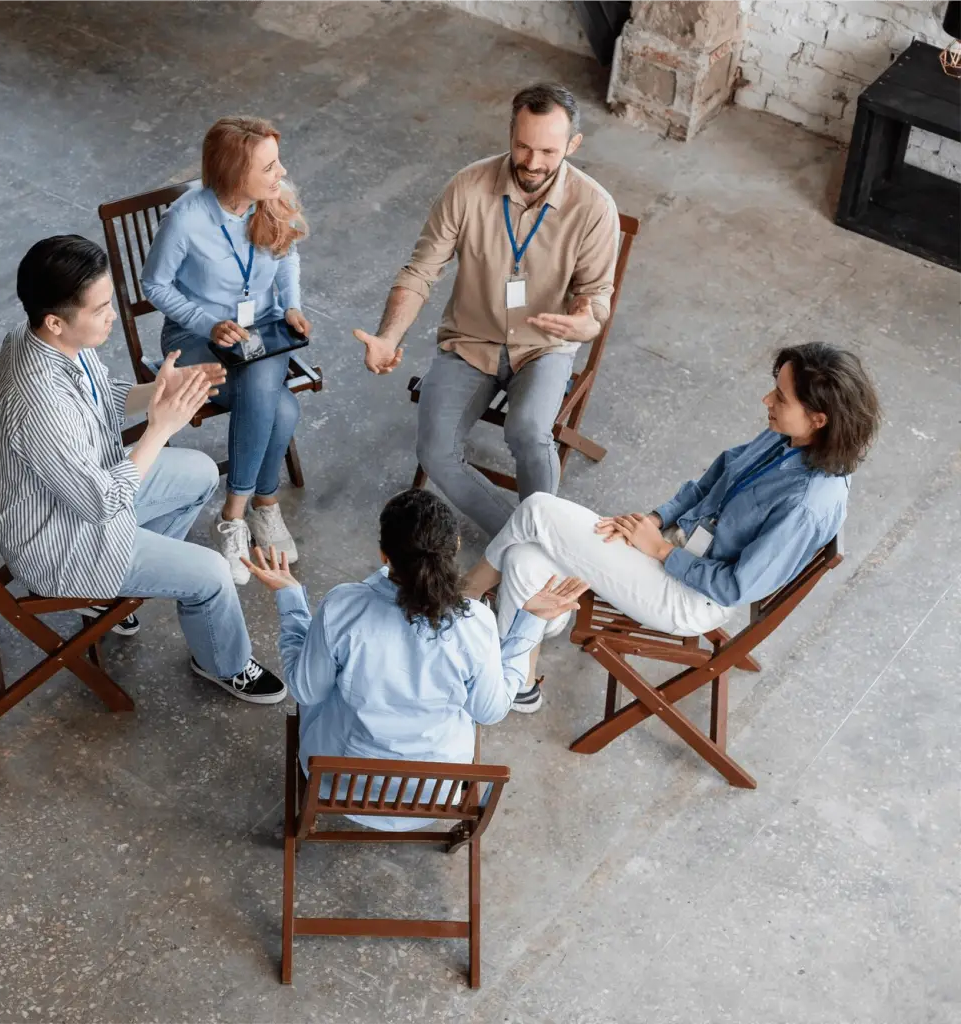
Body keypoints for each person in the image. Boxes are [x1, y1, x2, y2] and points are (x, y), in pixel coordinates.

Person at [463, 343, 882, 711]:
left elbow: (737, 587)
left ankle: (457, 602)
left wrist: (659, 550)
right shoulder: (786, 437)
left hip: (688, 594)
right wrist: (656, 520)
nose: (766, 399)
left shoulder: (807, 504)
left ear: (819, 419)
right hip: (671, 545)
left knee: (537, 509)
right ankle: (520, 686)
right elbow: (710, 482)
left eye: (781, 397)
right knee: (522, 558)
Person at [0, 235, 287, 704]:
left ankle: (117, 592)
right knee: (209, 574)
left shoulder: (38, 338)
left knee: (201, 472)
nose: (110, 317)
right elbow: (102, 503)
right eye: (100, 309)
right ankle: (222, 662)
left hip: (73, 499)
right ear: (56, 321)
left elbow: (102, 395)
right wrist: (159, 428)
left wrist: (158, 391)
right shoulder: (37, 401)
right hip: (61, 543)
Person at [353, 82, 619, 537]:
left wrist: (582, 324)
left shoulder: (595, 208)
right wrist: (389, 336)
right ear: (509, 132)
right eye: (523, 146)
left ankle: (537, 538)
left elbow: (595, 300)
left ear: (573, 144)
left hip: (543, 348)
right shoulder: (467, 187)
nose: (533, 163)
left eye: (549, 151)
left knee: (529, 434)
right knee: (434, 453)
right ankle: (522, 539)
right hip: (470, 341)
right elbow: (420, 272)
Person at [243, 489, 587, 829]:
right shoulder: (476, 623)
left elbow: (307, 692)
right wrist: (529, 624)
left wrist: (291, 602)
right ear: (454, 547)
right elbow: (490, 711)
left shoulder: (343, 607)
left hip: (341, 785)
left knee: (325, 682)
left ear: (384, 555)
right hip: (434, 795)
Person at [141, 115, 310, 583]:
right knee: (281, 408)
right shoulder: (186, 219)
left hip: (260, 330)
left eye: (277, 163)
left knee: (265, 383)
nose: (281, 174)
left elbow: (288, 254)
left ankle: (235, 515)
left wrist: (292, 306)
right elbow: (154, 284)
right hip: (195, 338)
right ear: (237, 175)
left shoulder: (273, 198)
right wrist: (208, 323)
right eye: (269, 167)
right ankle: (260, 503)